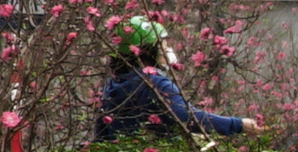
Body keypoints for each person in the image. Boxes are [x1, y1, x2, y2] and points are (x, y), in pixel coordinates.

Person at [94, 18, 246, 139]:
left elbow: (101, 135)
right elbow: (187, 116)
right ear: (148, 51)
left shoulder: (111, 86)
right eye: (163, 45)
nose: (167, 50)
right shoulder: (155, 84)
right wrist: (238, 125)